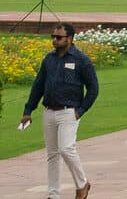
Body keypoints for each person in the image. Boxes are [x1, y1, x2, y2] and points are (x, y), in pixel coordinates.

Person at [21, 22, 97, 198]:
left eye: (59, 37)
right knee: (52, 155)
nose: (54, 40)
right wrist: (28, 110)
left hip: (69, 112)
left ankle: (82, 184)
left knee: (66, 149)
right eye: (53, 37)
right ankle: (53, 194)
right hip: (49, 111)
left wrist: (81, 110)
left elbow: (93, 88)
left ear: (69, 39)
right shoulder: (49, 59)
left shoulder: (81, 60)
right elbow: (38, 86)